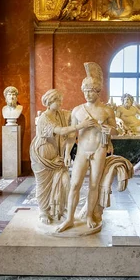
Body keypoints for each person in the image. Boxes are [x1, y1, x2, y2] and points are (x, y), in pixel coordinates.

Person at [57, 63, 118, 232]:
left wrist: (109, 130)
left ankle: (90, 215)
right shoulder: (77, 110)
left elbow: (116, 131)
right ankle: (69, 218)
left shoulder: (106, 111)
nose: (87, 94)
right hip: (82, 150)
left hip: (99, 149)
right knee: (75, 184)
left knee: (93, 185)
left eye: (91, 90)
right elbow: (71, 136)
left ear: (98, 91)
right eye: (85, 91)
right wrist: (68, 153)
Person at [30, 89, 95, 224]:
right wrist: (80, 125)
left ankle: (61, 208)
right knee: (43, 186)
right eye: (57, 101)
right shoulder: (44, 118)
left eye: (60, 100)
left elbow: (75, 114)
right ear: (49, 102)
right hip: (43, 157)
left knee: (65, 182)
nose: (60, 103)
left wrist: (91, 110)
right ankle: (44, 211)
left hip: (58, 155)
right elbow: (61, 131)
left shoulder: (62, 114)